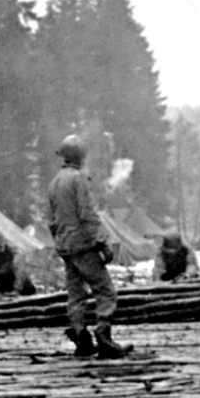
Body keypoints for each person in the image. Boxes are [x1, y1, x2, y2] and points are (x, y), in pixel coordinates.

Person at [48, 134, 133, 359]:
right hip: (83, 245)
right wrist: (101, 243)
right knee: (106, 291)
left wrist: (61, 242)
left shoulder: (55, 181)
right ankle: (104, 338)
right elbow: (87, 214)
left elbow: (52, 220)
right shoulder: (78, 179)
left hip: (65, 246)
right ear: (81, 156)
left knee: (75, 295)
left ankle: (81, 339)